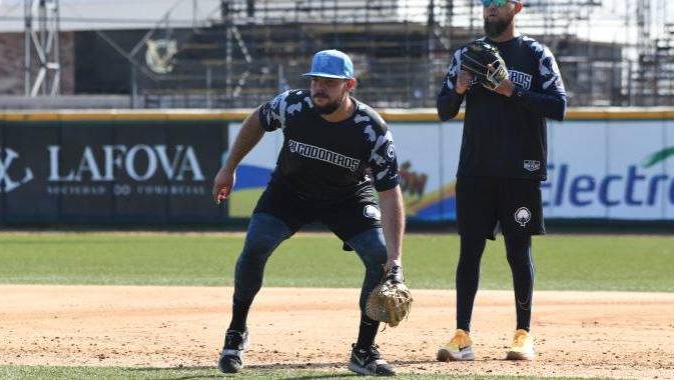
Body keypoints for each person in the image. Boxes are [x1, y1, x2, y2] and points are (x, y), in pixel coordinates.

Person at [212, 49, 406, 376]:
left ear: (349, 85)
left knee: (379, 256)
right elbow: (257, 120)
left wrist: (395, 261)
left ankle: (364, 351)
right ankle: (236, 333)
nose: (319, 87)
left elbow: (390, 195)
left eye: (329, 82)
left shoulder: (371, 129)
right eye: (316, 79)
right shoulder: (293, 105)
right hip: (290, 192)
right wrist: (229, 168)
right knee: (256, 246)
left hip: (348, 198)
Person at [435, 0, 567, 362]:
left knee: (517, 251)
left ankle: (522, 334)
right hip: (476, 169)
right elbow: (444, 110)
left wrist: (514, 91)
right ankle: (462, 336)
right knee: (470, 251)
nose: (490, 8)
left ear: (516, 7)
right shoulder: (468, 54)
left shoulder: (536, 53)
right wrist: (459, 89)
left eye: (498, 2)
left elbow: (558, 106)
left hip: (520, 171)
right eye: (485, 3)